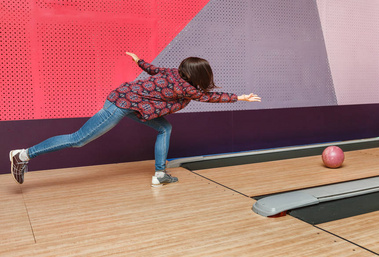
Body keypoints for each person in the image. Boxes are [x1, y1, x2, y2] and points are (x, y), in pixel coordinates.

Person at [10, 52, 261, 186]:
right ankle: (23, 155)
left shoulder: (175, 73)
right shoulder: (188, 88)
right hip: (120, 104)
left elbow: (153, 69)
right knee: (79, 140)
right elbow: (210, 98)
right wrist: (240, 98)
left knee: (164, 129)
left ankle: (160, 174)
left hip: (134, 105)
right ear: (199, 75)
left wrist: (138, 60)